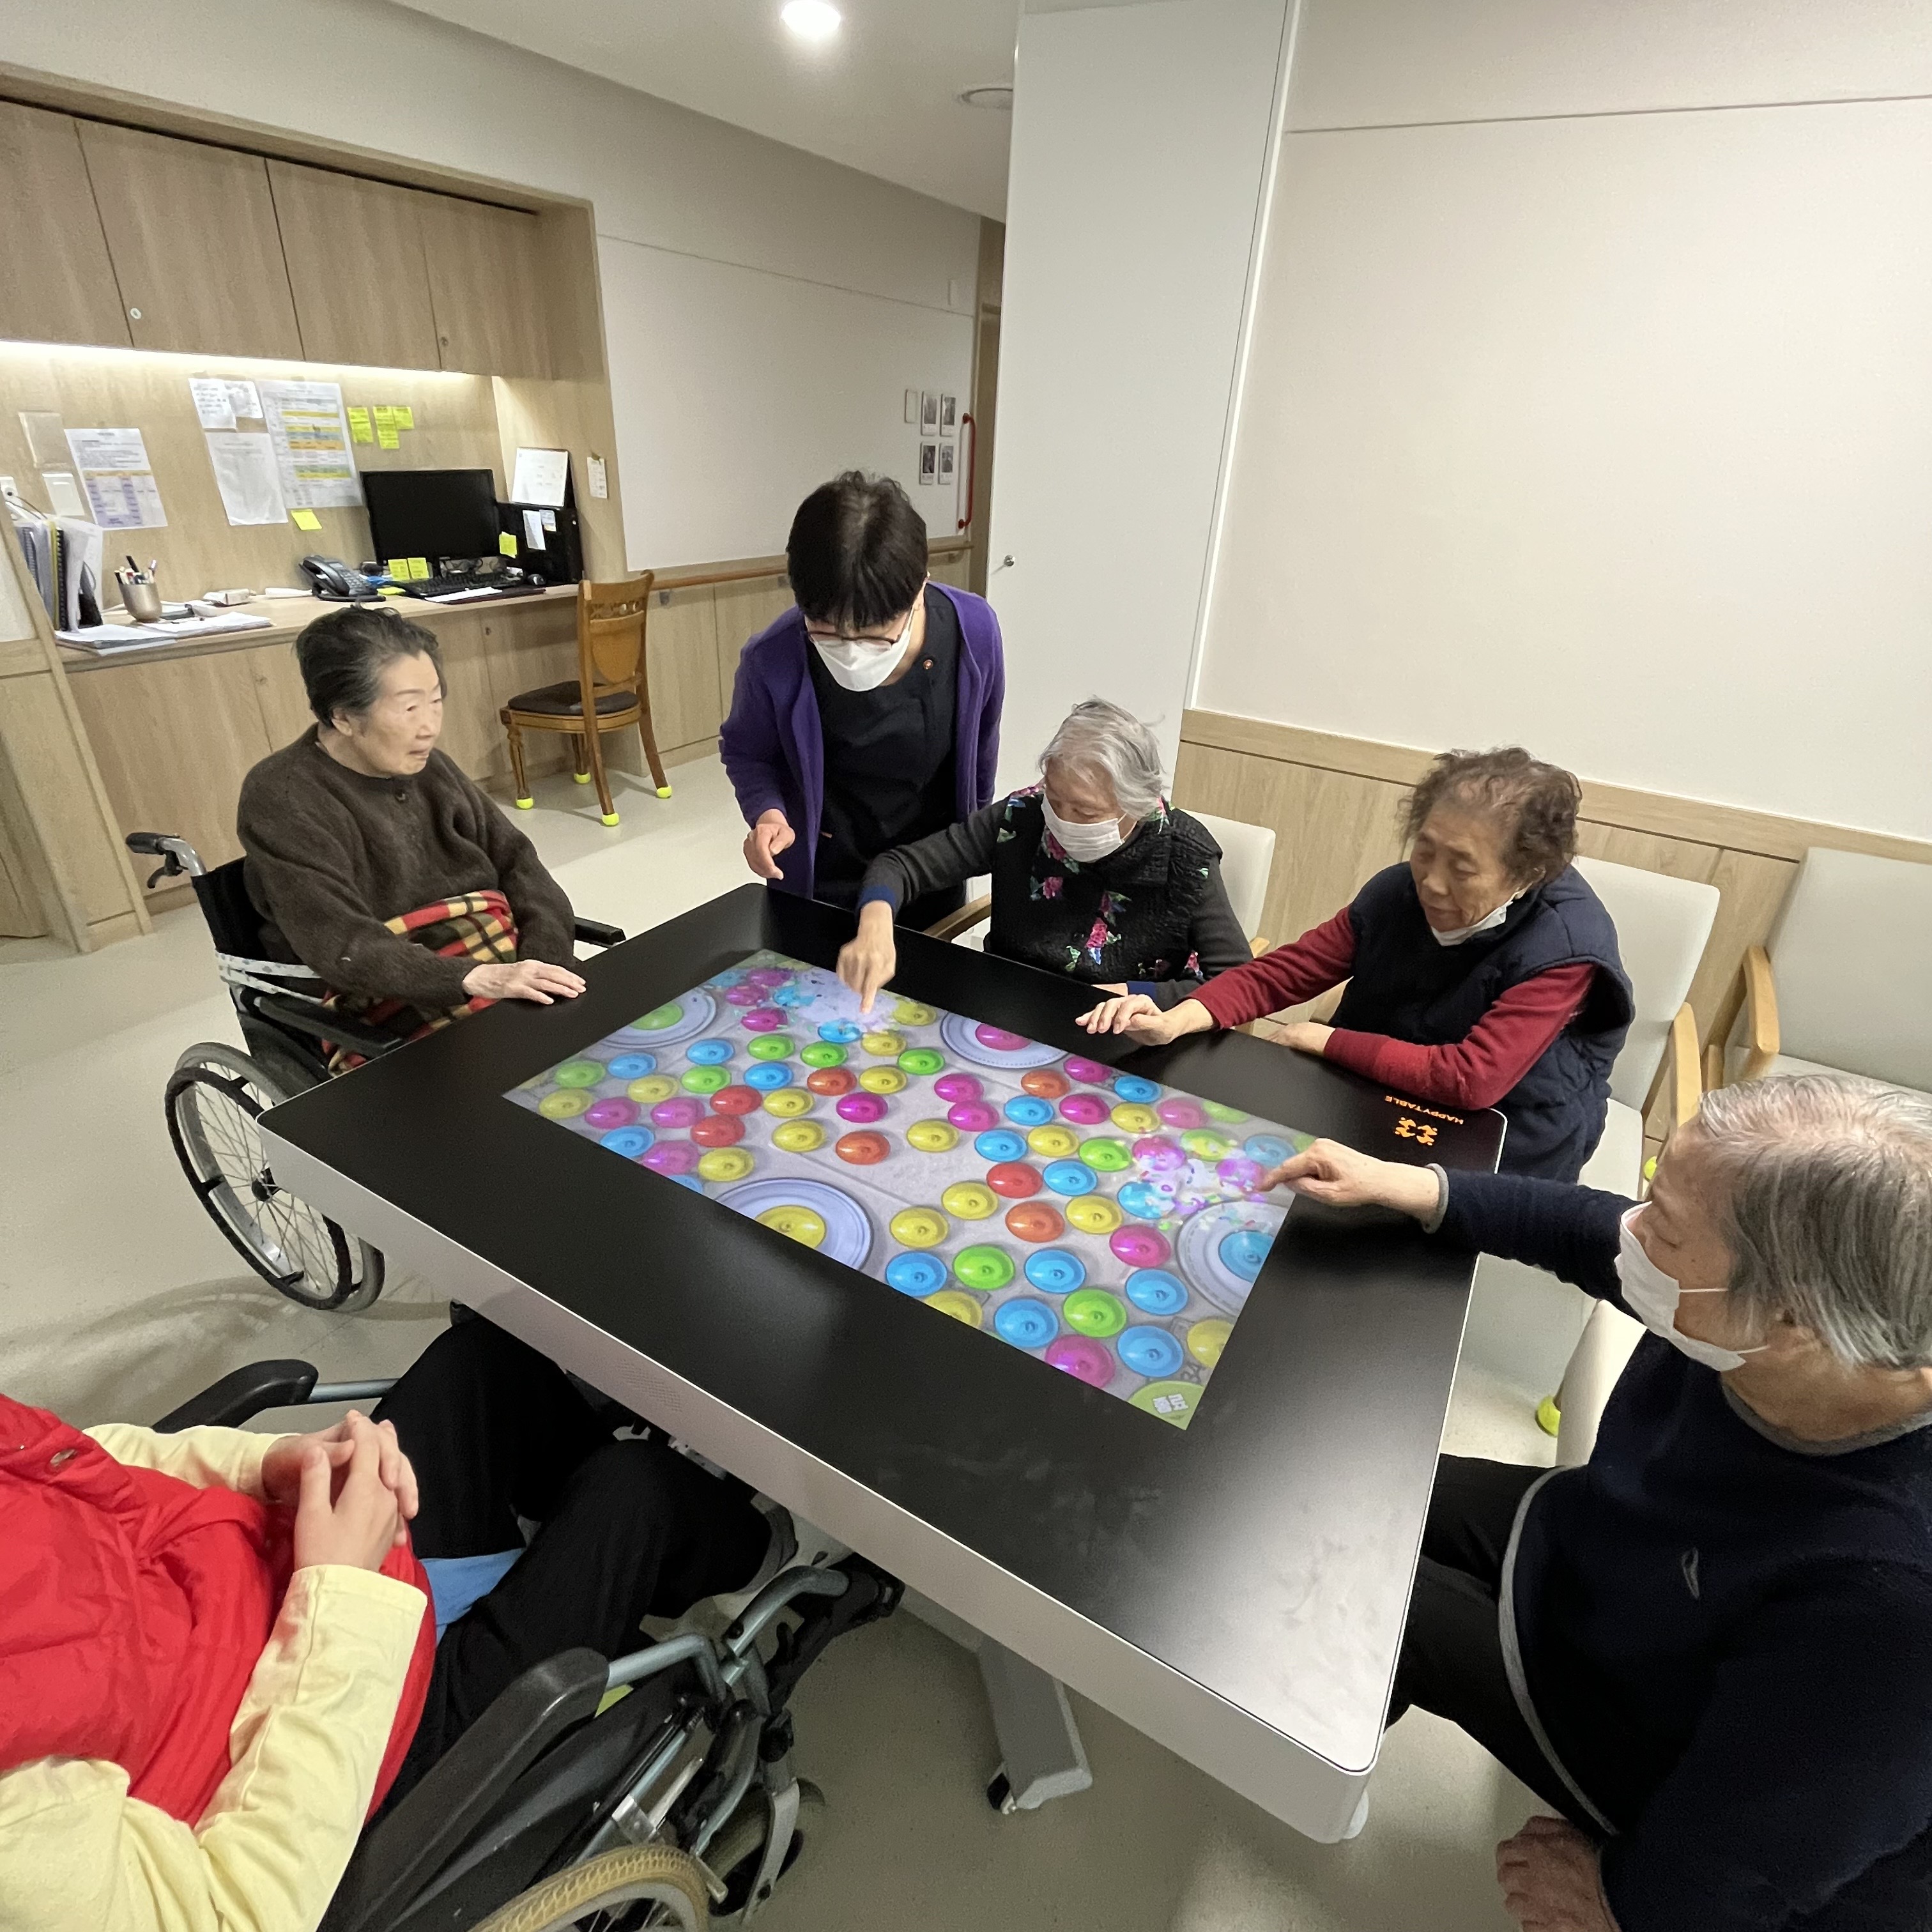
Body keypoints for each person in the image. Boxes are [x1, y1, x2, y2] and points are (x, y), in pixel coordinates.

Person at [1267, 1075, 1932, 1931]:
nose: (1634, 1231)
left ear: (1793, 1324)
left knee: (1342, 1576)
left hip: (1654, 1721)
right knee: (1345, 1478)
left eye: (1665, 1228)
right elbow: (1592, 1233)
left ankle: (1316, 1752)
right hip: (1612, 1548)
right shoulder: (1759, 1315)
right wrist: (1420, 1188)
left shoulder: (1891, 1602)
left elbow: (1769, 1850)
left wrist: (1623, 1904)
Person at [0, 1317, 777, 1932]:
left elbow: (82, 1464)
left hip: (288, 1581)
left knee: (483, 1363)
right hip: (349, 1752)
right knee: (633, 1493)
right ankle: (755, 1552)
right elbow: (234, 1913)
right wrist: (336, 1593)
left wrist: (260, 1465)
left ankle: (643, 1533)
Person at [1078, 746, 1634, 1180]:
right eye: (1424, 851)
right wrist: (1179, 1017)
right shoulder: (1396, 893)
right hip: (1384, 1094)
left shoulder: (1565, 947)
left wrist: (1326, 1040)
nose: (1432, 883)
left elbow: (1473, 1079)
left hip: (1509, 1132)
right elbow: (1286, 972)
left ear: (1527, 873)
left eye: (1462, 869)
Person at [238, 608, 586, 1062]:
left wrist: (543, 959)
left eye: (436, 702)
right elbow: (344, 944)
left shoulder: (432, 768)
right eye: (409, 708)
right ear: (343, 717)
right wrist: (473, 978)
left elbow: (518, 863)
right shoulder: (283, 797)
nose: (430, 727)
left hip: (495, 955)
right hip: (388, 990)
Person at [835, 698, 1250, 1014]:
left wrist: (1137, 995)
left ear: (1137, 804)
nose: (1062, 820)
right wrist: (875, 923)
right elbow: (901, 866)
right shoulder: (1022, 816)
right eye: (1055, 798)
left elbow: (1237, 980)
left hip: (1126, 1030)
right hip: (1010, 1008)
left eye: (1085, 812)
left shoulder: (1185, 854)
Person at [719, 471, 1005, 928]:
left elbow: (982, 744)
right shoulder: (773, 656)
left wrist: (971, 839)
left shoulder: (973, 633)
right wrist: (768, 813)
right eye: (827, 632)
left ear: (919, 588)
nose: (850, 651)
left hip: (929, 870)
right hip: (823, 879)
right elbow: (747, 751)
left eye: (875, 636)